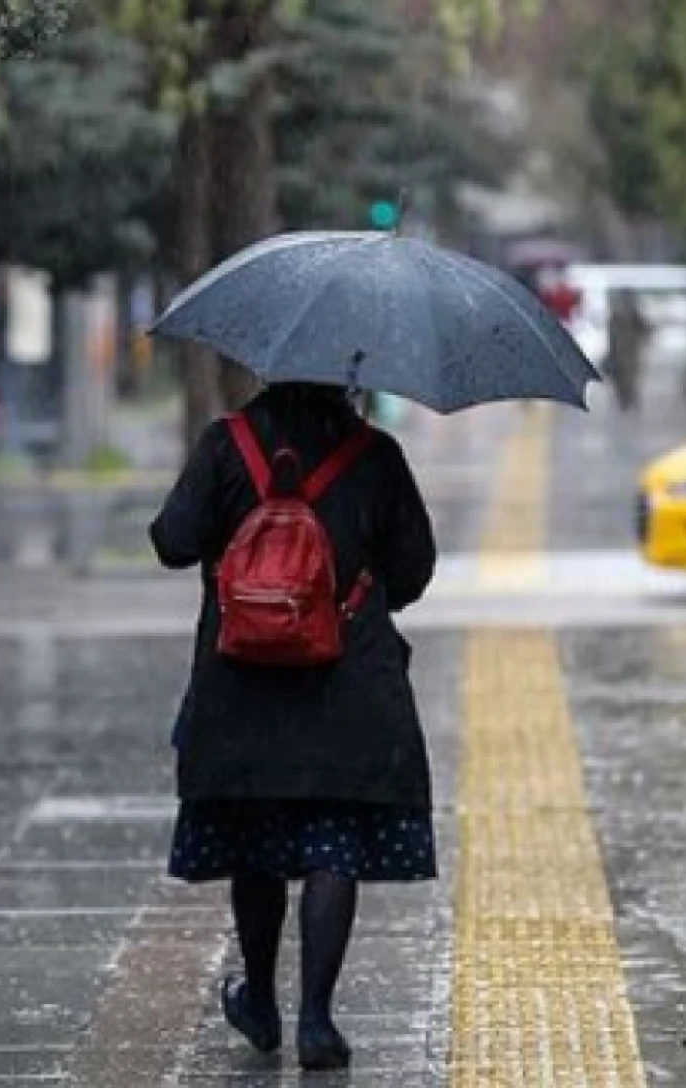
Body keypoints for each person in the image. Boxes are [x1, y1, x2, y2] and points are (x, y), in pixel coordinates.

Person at [149, 382, 437, 1072]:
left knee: (256, 842)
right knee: (332, 845)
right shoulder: (374, 454)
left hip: (241, 686)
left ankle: (259, 1002)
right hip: (346, 683)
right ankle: (316, 1019)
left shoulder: (226, 445)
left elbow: (172, 542)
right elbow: (414, 569)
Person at [606, 289, 649, 412]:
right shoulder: (615, 318)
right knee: (622, 376)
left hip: (630, 353)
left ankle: (628, 397)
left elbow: (644, 331)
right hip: (621, 353)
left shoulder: (633, 317)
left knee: (629, 375)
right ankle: (625, 397)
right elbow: (611, 338)